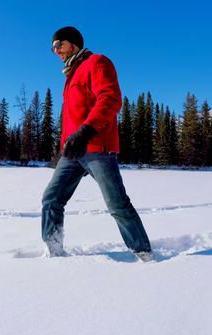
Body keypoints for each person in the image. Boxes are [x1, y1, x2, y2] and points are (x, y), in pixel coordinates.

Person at [41, 26, 154, 262]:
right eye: (53, 48)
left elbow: (110, 98)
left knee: (117, 205)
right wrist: (65, 145)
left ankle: (144, 254)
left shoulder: (97, 62)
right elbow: (74, 116)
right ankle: (53, 251)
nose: (55, 51)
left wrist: (86, 131)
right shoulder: (71, 74)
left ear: (73, 43)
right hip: (72, 153)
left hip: (97, 149)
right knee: (52, 199)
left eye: (58, 45)